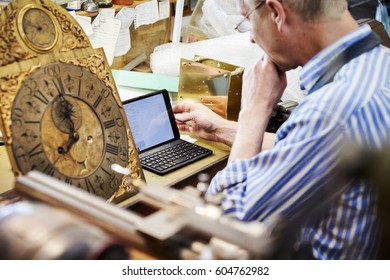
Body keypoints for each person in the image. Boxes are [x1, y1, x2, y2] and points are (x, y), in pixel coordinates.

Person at [173, 0, 390, 259]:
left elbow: (227, 220)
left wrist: (255, 109)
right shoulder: (378, 65)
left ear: (276, 13)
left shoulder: (331, 111)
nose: (252, 38)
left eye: (248, 21)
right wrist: (223, 130)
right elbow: (313, 151)